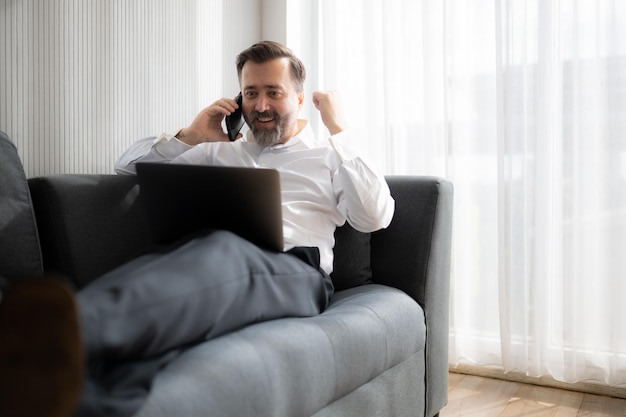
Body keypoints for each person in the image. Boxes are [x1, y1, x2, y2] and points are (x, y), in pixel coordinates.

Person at [1, 41, 394, 417]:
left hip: (296, 270)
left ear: (299, 98)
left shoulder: (328, 155)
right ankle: (80, 400)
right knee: (169, 273)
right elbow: (126, 167)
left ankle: (46, 339)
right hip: (209, 259)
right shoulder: (221, 149)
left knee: (221, 255)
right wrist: (191, 135)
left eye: (273, 92)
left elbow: (374, 215)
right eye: (250, 93)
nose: (260, 105)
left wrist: (340, 130)